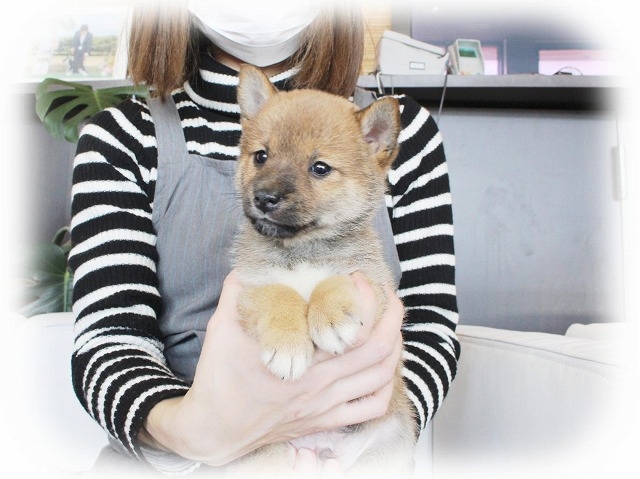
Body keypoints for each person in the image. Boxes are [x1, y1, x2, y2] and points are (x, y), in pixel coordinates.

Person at [69, 0, 460, 475]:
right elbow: (110, 342)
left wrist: (362, 435)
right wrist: (200, 434)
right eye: (259, 158)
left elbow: (430, 325)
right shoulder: (122, 137)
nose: (269, 189)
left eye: (320, 169)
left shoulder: (398, 131)